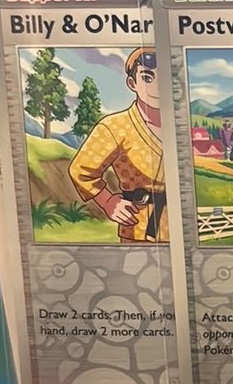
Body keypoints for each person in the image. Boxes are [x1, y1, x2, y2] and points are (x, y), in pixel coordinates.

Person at [68, 47, 166, 242]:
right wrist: (108, 201)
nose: (156, 87)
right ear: (132, 83)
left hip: (184, 226)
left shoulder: (183, 125)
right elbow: (81, 169)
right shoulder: (114, 126)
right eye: (147, 78)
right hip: (139, 228)